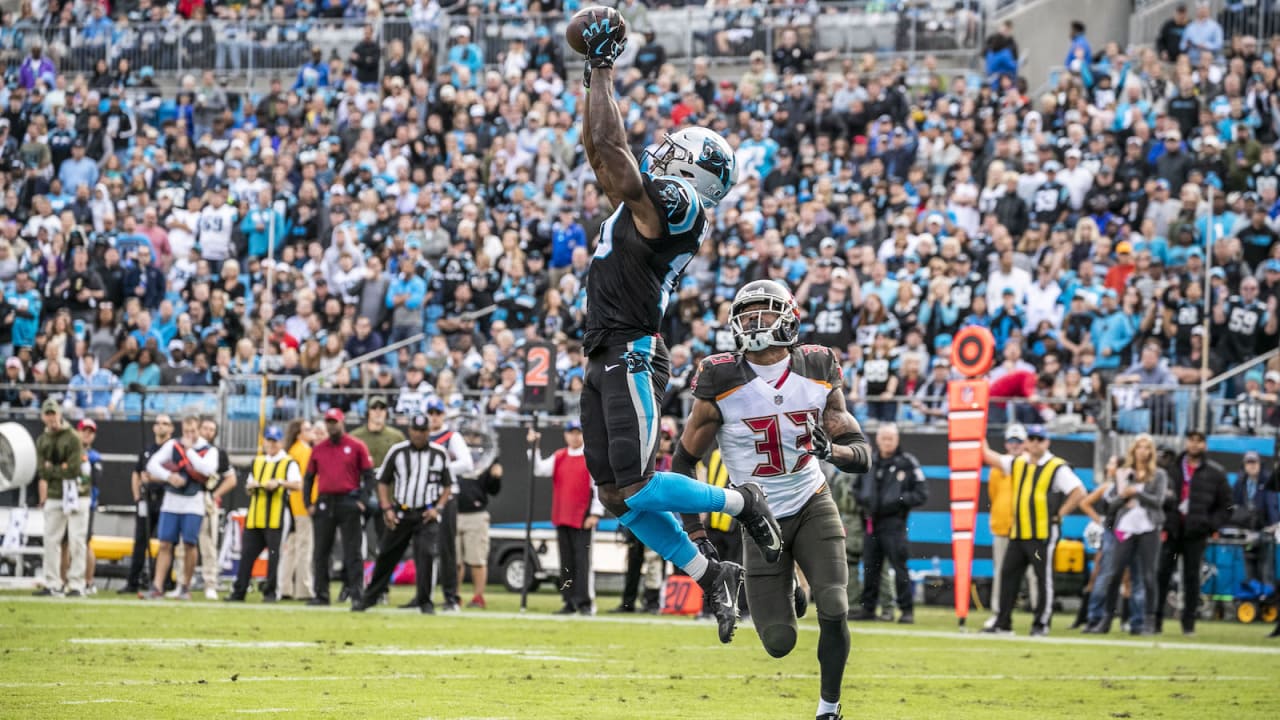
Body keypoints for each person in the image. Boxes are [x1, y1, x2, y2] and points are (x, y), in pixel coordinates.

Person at [576, 13, 778, 646]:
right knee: (615, 498)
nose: (660, 151)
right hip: (604, 347)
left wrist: (602, 68)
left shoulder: (681, 206)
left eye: (673, 151)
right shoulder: (660, 203)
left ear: (691, 169)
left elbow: (611, 160)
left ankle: (742, 503)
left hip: (633, 350)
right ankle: (709, 571)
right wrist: (593, 76)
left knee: (637, 482)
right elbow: (601, 155)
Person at [674, 280, 873, 720]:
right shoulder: (720, 376)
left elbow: (861, 453)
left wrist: (832, 452)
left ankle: (828, 707)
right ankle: (794, 588)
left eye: (763, 313)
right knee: (779, 643)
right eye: (746, 315)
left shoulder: (818, 365)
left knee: (836, 605)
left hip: (810, 499)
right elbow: (683, 462)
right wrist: (696, 531)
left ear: (788, 316)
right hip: (758, 517)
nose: (753, 322)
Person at [981, 424, 1086, 636]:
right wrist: (978, 433)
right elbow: (990, 458)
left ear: (1047, 442)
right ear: (1027, 442)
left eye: (1040, 439)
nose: (1035, 443)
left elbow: (1078, 491)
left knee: (1042, 578)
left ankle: (1041, 623)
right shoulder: (1018, 463)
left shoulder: (1056, 467)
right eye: (1032, 439)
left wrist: (1060, 513)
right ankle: (1003, 622)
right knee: (1008, 576)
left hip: (1042, 534)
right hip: (1018, 532)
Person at [352, 415, 452, 614]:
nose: (419, 434)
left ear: (428, 432)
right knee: (386, 555)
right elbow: (383, 481)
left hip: (426, 514)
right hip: (402, 511)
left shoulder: (439, 453)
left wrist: (438, 508)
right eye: (416, 430)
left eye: (423, 431)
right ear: (410, 431)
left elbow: (448, 485)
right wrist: (387, 508)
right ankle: (369, 598)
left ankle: (425, 601)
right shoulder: (398, 452)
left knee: (426, 555)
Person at [1086, 434, 1167, 635]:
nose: (1142, 451)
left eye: (1146, 447)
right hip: (1125, 528)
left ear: (1151, 452)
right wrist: (1123, 496)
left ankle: (1148, 620)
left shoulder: (1158, 475)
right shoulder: (1122, 473)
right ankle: (1106, 619)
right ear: (1133, 450)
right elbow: (1112, 504)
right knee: (1114, 573)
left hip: (1148, 527)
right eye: (1139, 447)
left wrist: (1137, 493)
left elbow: (1158, 501)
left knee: (1148, 575)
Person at [1154, 430, 1231, 635]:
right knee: (1161, 575)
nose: (1194, 445)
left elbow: (1227, 507)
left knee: (1192, 579)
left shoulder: (1215, 473)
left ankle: (1188, 625)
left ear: (1204, 445)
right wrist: (1163, 521)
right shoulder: (1172, 468)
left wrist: (1209, 525)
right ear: (1186, 442)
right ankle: (1155, 621)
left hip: (1196, 533)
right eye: (1191, 440)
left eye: (1199, 441)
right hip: (1172, 530)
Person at [850, 423, 927, 624]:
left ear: (897, 440)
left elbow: (921, 494)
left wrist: (899, 501)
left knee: (899, 567)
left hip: (894, 523)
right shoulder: (869, 462)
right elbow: (855, 489)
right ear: (878, 440)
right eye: (884, 438)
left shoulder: (907, 463)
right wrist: (864, 501)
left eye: (890, 438)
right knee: (870, 567)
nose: (887, 442)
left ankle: (906, 610)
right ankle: (868, 609)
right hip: (871, 522)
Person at [530, 420, 605, 615]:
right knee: (566, 563)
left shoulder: (589, 458)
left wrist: (595, 513)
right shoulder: (559, 456)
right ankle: (569, 601)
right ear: (565, 435)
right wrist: (534, 446)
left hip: (582, 518)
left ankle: (585, 602)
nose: (574, 436)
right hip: (563, 516)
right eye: (571, 433)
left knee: (583, 563)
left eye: (578, 433)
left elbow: (597, 488)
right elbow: (538, 469)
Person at [142, 416, 219, 600]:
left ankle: (186, 586)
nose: (189, 435)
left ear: (199, 430)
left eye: (193, 431)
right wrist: (169, 476)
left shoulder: (209, 450)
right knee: (165, 543)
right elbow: (152, 464)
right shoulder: (173, 445)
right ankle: (157, 586)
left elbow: (206, 470)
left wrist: (189, 451)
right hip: (172, 500)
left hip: (194, 501)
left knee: (190, 543)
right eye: (186, 431)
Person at [303, 408, 374, 607]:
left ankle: (357, 594)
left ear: (342, 423)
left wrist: (363, 500)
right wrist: (308, 503)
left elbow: (369, 476)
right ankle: (321, 594)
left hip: (348, 500)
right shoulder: (319, 449)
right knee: (321, 551)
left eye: (334, 422)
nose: (331, 425)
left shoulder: (356, 446)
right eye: (329, 422)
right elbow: (309, 478)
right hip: (325, 501)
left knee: (353, 551)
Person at [226, 425, 301, 603]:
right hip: (256, 516)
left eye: (275, 441)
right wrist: (253, 487)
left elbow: (298, 484)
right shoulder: (258, 461)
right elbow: (249, 486)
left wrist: (279, 483)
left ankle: (270, 592)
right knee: (247, 555)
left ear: (281, 443)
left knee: (274, 556)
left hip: (277, 515)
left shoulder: (288, 462)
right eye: (269, 440)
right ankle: (239, 591)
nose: (272, 444)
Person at [982, 424, 1037, 631]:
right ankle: (999, 614)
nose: (1015, 445)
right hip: (1004, 527)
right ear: (1006, 443)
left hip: (1027, 528)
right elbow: (994, 495)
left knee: (1034, 574)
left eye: (1019, 441)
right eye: (1012, 441)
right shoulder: (999, 468)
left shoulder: (1028, 463)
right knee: (1001, 573)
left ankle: (1039, 614)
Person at [33, 399, 86, 597]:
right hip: (55, 494)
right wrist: (58, 469)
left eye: (54, 414)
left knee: (76, 540)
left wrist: (51, 469)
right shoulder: (42, 440)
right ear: (43, 417)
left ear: (60, 414)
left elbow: (73, 470)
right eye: (48, 414)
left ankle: (77, 584)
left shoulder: (72, 437)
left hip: (76, 493)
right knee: (50, 540)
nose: (51, 418)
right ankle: (53, 582)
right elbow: (41, 472)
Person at [426, 399, 474, 611]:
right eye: (431, 413)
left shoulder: (451, 437)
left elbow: (467, 463)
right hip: (425, 496)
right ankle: (424, 593)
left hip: (446, 496)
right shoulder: (423, 436)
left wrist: (442, 469)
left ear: (443, 415)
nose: (434, 416)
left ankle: (450, 596)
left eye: (438, 413)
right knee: (423, 548)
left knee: (446, 548)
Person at [120, 414, 174, 594]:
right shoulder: (147, 450)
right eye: (158, 423)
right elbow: (137, 473)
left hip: (166, 499)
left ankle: (163, 581)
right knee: (140, 542)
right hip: (146, 499)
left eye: (165, 423)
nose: (161, 426)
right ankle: (132, 581)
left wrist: (155, 478)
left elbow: (174, 476)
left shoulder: (173, 451)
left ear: (171, 428)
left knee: (166, 542)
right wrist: (137, 496)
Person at [350, 396, 406, 556]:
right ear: (368, 412)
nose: (378, 412)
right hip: (362, 492)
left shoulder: (396, 436)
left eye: (382, 409)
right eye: (374, 408)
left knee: (387, 537)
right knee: (357, 537)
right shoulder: (356, 436)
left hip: (388, 494)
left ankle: (385, 575)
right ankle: (358, 574)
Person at [456, 458, 501, 609]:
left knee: (477, 559)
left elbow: (494, 490)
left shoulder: (487, 457)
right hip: (453, 512)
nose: (472, 438)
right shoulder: (455, 453)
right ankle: (454, 596)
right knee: (455, 561)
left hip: (476, 514)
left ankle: (478, 597)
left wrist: (496, 477)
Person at [279, 419, 316, 601]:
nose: (312, 432)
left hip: (290, 504)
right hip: (302, 506)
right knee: (304, 548)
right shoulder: (305, 451)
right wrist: (312, 502)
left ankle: (285, 587)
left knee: (291, 548)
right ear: (299, 433)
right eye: (308, 429)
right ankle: (304, 589)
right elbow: (307, 481)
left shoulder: (290, 451)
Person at [73, 418, 103, 594]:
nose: (86, 434)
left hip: (87, 503)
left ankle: (89, 580)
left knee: (85, 542)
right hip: (70, 502)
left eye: (90, 432)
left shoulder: (94, 456)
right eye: (84, 430)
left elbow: (95, 480)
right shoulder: (71, 452)